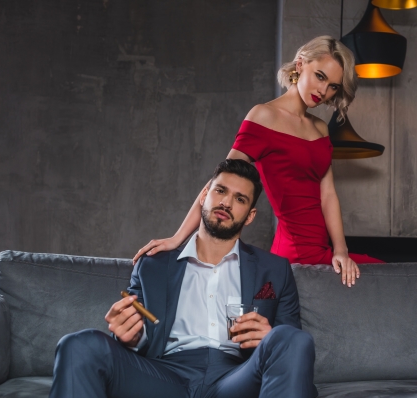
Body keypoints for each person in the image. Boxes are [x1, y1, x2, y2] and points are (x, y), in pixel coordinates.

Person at [49, 159, 317, 398]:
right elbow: (139, 333)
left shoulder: (275, 269)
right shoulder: (152, 265)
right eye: (220, 191)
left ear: (250, 216)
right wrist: (130, 337)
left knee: (293, 340)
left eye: (240, 199)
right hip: (164, 376)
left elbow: (290, 339)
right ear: (204, 196)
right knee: (80, 345)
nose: (226, 202)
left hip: (237, 377)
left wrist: (269, 338)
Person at [133, 36, 383, 288]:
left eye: (333, 86)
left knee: (387, 277)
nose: (323, 90)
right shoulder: (264, 116)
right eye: (320, 76)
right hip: (295, 253)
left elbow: (328, 194)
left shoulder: (320, 128)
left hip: (324, 251)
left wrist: (341, 250)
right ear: (300, 65)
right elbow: (221, 181)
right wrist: (177, 238)